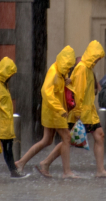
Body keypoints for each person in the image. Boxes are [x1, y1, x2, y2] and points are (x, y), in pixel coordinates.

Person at [39, 41, 106, 178]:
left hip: (88, 112)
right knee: (68, 140)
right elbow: (78, 92)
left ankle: (100, 170)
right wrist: (78, 112)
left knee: (99, 136)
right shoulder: (82, 68)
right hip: (79, 113)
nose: (98, 60)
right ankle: (46, 162)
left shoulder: (88, 68)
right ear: (92, 55)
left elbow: (86, 93)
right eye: (97, 57)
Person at [14, 46, 78, 179]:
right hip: (55, 111)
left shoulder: (60, 70)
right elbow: (46, 92)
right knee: (66, 138)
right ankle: (67, 172)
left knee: (47, 140)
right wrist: (60, 109)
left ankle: (21, 163)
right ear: (63, 62)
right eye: (68, 66)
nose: (68, 69)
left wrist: (67, 82)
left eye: (70, 67)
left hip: (52, 111)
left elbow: (57, 88)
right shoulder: (54, 72)